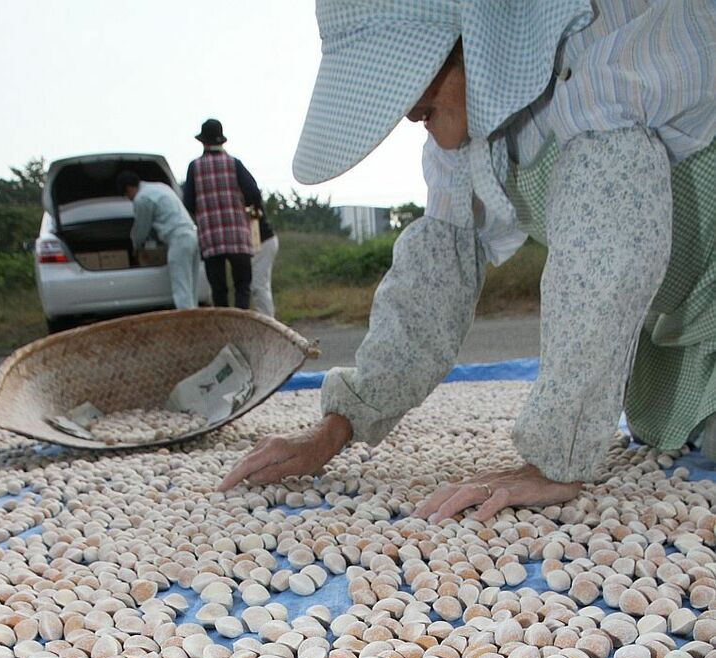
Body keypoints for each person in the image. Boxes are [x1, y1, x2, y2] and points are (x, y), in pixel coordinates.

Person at [219, 0, 716, 522]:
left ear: (477, 42)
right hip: (678, 324)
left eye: (417, 77)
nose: (409, 113)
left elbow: (606, 255)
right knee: (668, 431)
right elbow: (432, 283)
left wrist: (554, 462)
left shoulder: (605, 59)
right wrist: (337, 426)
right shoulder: (467, 139)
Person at [184, 119, 263, 310]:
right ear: (222, 141)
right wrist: (253, 208)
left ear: (202, 141)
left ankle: (225, 332)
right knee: (242, 286)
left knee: (219, 291)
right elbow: (253, 192)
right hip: (237, 235)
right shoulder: (234, 164)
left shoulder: (194, 167)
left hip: (210, 238)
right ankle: (242, 325)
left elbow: (188, 202)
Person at [117, 171, 200, 310]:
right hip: (192, 235)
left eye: (126, 196)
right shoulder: (160, 187)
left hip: (178, 239)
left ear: (128, 189)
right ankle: (196, 321)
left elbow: (141, 228)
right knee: (192, 288)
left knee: (182, 290)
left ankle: (187, 324)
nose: (129, 199)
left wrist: (135, 246)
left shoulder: (142, 198)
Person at [251, 212, 279, 318]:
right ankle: (266, 318)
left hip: (262, 242)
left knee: (258, 284)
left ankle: (266, 320)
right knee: (260, 284)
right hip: (263, 241)